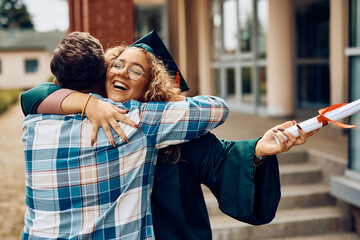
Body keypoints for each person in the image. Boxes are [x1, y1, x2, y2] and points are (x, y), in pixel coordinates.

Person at [21, 30, 315, 239]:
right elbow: (38, 94)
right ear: (103, 73)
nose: (122, 73)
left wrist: (259, 150)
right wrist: (89, 103)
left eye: (136, 71)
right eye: (117, 65)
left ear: (152, 87)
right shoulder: (79, 113)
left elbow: (223, 160)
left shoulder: (178, 133)